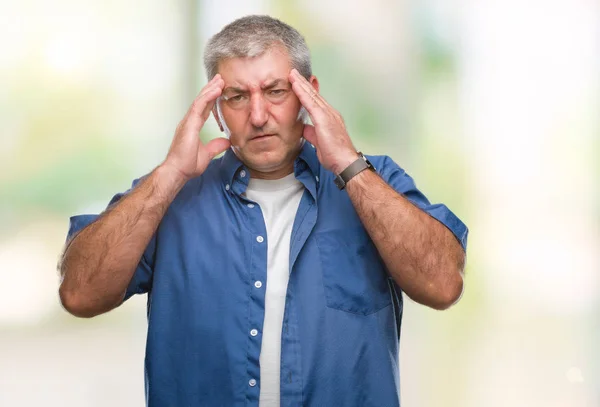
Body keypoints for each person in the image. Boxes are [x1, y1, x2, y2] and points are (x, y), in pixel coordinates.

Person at [58, 15, 468, 407]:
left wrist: (349, 164)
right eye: (237, 97)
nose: (258, 116)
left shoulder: (376, 183)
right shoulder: (169, 195)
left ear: (310, 97)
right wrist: (169, 175)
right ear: (216, 111)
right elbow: (79, 294)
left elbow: (443, 285)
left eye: (276, 91)